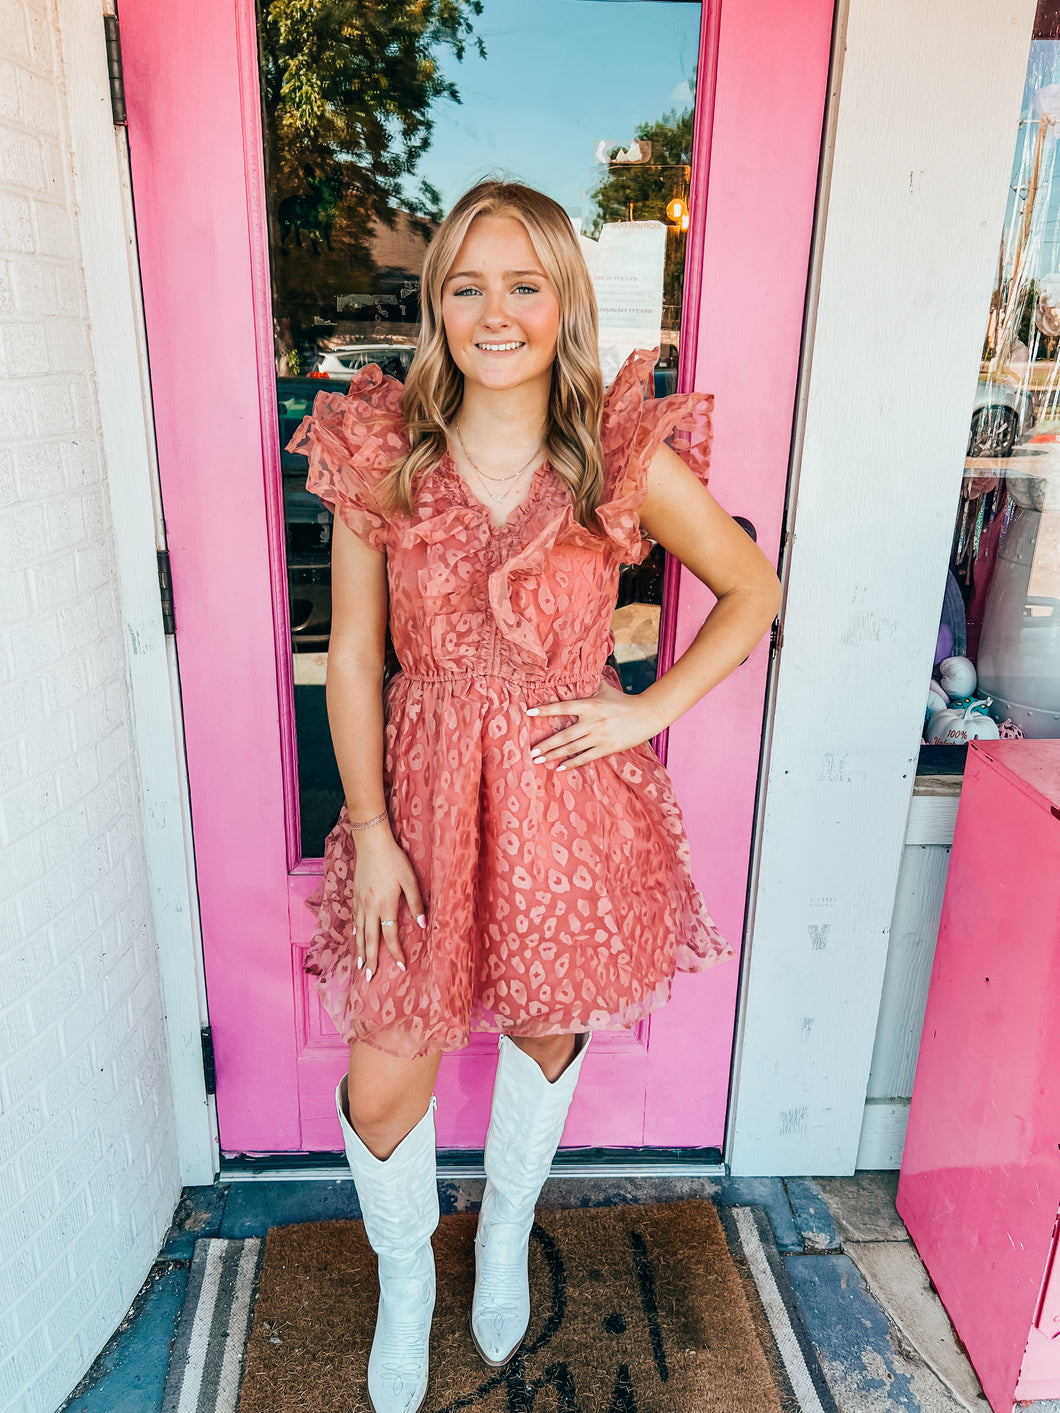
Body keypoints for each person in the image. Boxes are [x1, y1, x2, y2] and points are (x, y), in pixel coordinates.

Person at [287, 179, 781, 1413]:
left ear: (563, 300)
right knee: (385, 1066)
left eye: (523, 284)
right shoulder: (384, 450)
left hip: (566, 798)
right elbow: (354, 656)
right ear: (436, 303)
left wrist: (645, 710)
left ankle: (503, 1232)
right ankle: (409, 1285)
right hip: (424, 794)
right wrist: (379, 830)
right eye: (467, 286)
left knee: (542, 1027)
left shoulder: (613, 456)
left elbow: (751, 591)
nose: (494, 313)